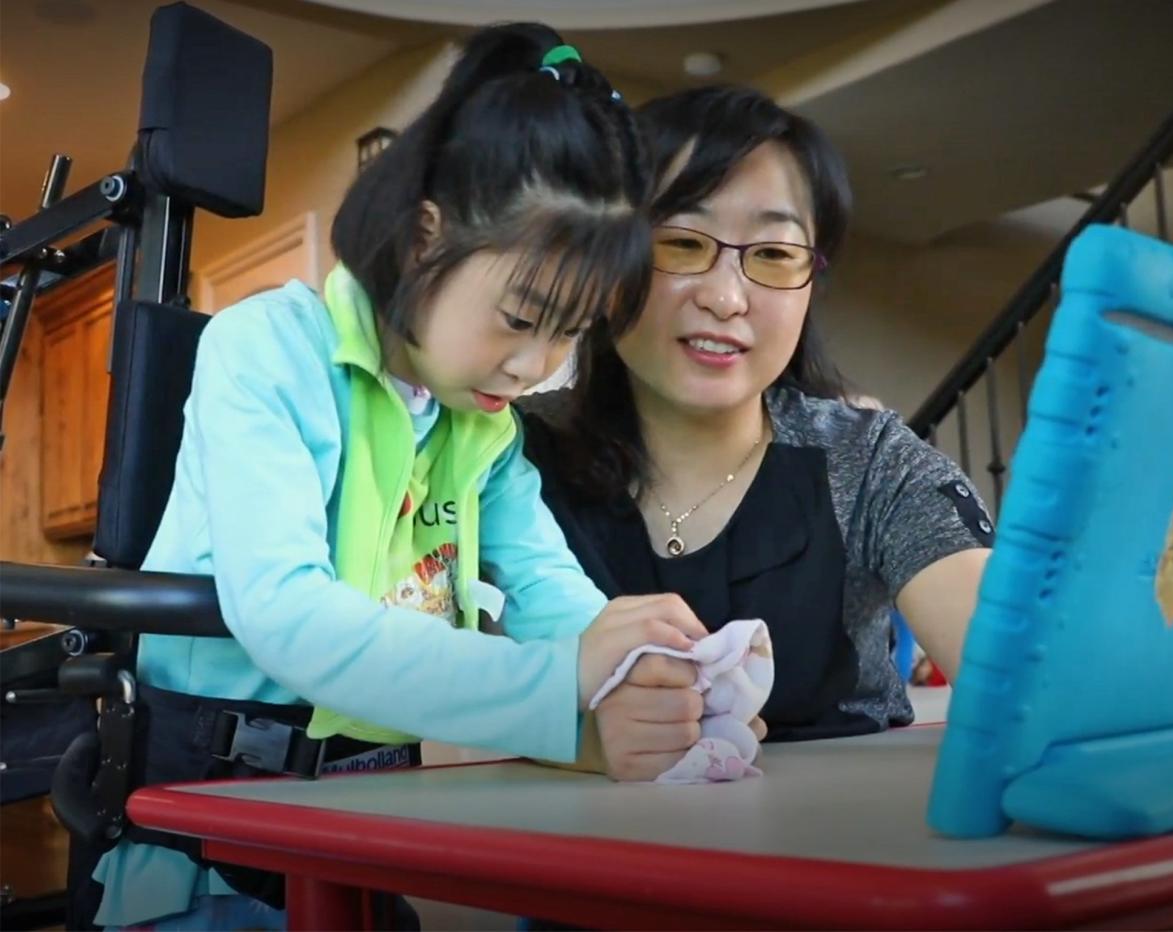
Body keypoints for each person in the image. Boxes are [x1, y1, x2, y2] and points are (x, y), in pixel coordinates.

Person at [81, 25, 707, 930]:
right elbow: (287, 616)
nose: (538, 363)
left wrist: (641, 671)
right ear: (424, 241)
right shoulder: (265, 349)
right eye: (524, 317)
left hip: (365, 832)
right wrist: (561, 682)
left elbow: (549, 590)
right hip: (215, 845)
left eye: (571, 333)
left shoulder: (479, 424)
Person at [520, 84, 1173, 781]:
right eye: (680, 243)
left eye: (773, 255)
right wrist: (576, 740)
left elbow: (1014, 663)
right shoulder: (505, 454)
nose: (726, 296)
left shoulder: (867, 461)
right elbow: (427, 685)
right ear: (609, 256)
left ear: (810, 282)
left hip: (838, 864)